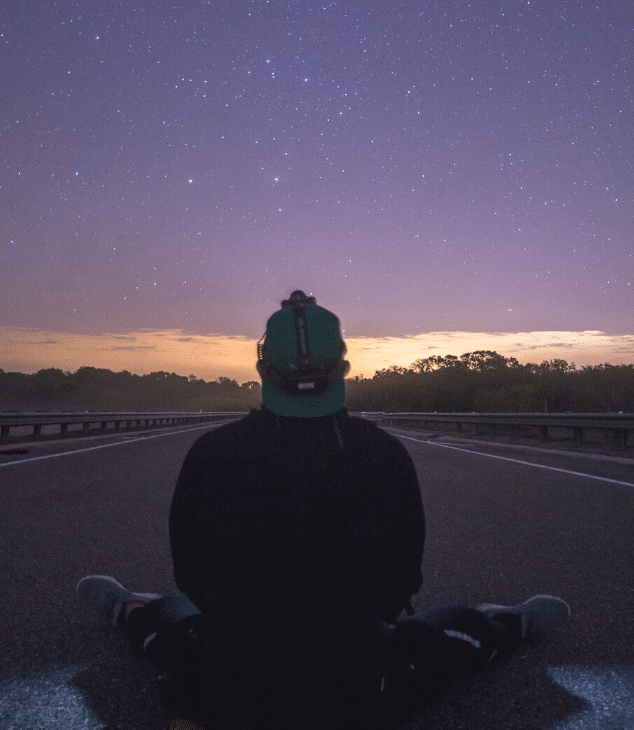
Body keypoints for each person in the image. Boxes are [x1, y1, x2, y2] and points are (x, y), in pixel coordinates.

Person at [77, 291, 569, 730]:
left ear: (262, 370)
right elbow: (401, 580)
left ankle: (130, 610)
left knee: (176, 630)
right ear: (344, 371)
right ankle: (509, 626)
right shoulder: (385, 454)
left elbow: (192, 575)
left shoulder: (210, 452)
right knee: (447, 637)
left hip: (225, 696)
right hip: (360, 697)